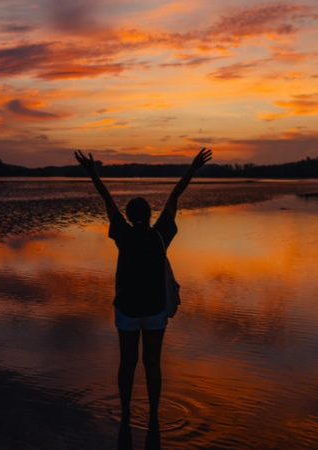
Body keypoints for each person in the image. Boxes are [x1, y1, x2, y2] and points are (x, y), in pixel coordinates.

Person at [75, 147, 213, 450]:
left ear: (127, 216)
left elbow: (106, 198)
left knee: (127, 363)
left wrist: (92, 172)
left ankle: (125, 415)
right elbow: (175, 197)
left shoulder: (121, 233)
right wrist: (192, 168)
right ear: (149, 215)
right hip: (154, 310)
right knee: (153, 363)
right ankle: (152, 417)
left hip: (126, 309)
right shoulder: (161, 233)